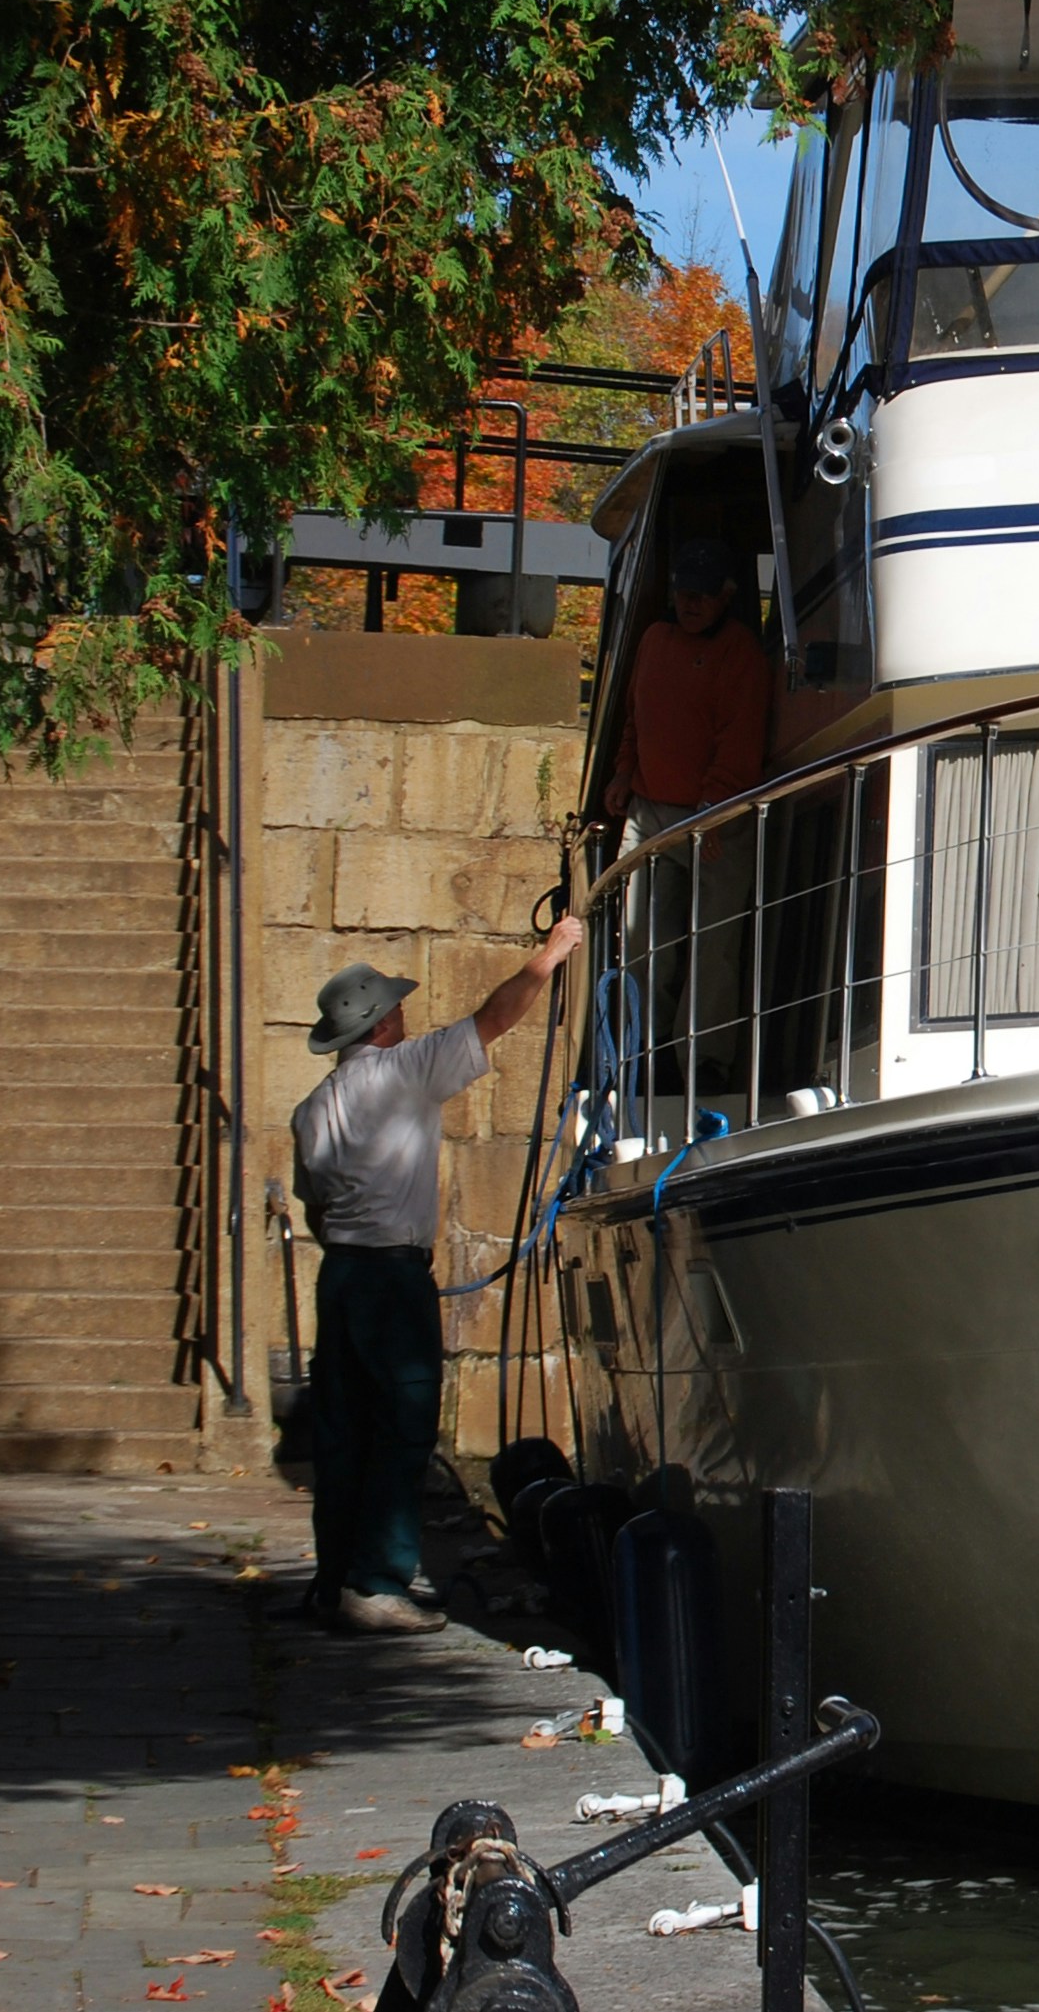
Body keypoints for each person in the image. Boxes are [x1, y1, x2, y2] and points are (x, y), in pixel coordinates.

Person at [293, 915, 583, 1633]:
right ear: (380, 1026)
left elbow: (315, 1206)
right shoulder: (405, 1072)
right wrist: (548, 957)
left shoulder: (311, 1110)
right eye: (394, 1007)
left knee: (342, 1430)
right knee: (404, 1422)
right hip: (393, 1275)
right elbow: (491, 1018)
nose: (404, 1011)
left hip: (342, 1273)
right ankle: (377, 1582)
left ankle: (332, 1582)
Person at [599, 535, 774, 1061]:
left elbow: (739, 740)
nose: (690, 603)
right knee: (641, 943)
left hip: (715, 817)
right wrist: (623, 773)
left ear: (726, 594)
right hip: (649, 810)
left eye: (702, 594)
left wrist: (712, 813)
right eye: (683, 592)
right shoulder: (654, 639)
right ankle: (643, 1053)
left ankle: (702, 1059)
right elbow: (635, 717)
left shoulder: (741, 653)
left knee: (713, 947)